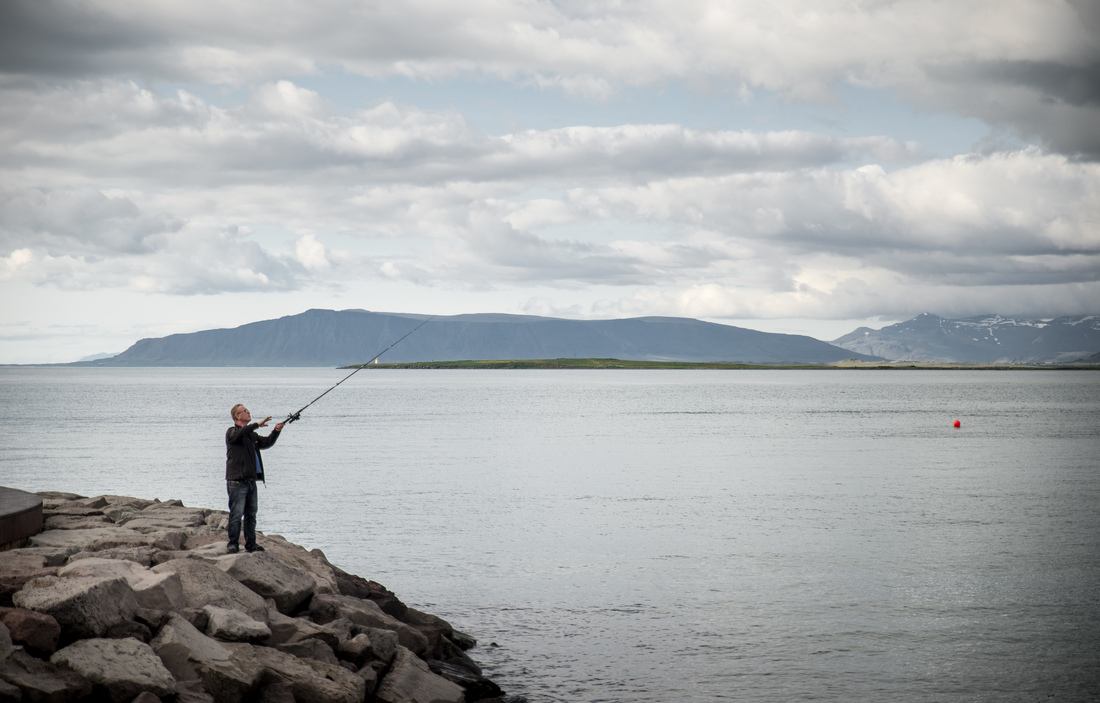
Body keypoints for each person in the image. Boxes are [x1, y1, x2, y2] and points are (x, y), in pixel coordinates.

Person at [225, 403, 285, 553]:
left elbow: (266, 443)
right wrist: (256, 424)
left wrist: (276, 431)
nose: (248, 412)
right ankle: (232, 544)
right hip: (237, 481)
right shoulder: (232, 432)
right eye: (244, 411)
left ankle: (251, 544)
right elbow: (241, 433)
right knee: (236, 514)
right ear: (237, 416)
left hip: (251, 481)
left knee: (251, 514)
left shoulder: (251, 435)